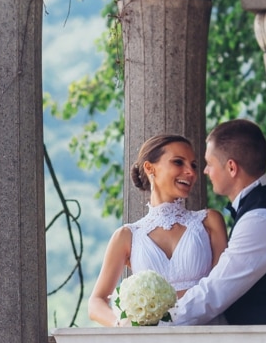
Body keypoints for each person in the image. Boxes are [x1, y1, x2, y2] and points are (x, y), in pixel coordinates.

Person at [169, 119, 266, 325]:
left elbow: (214, 293)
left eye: (210, 164)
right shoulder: (265, 206)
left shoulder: (261, 219)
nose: (205, 171)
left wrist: (158, 322)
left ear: (231, 167)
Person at [88, 134, 228, 326]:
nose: (191, 172)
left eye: (194, 165)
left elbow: (223, 285)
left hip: (205, 337)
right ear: (149, 168)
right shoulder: (127, 236)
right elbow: (96, 302)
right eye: (178, 162)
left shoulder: (209, 221)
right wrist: (123, 324)